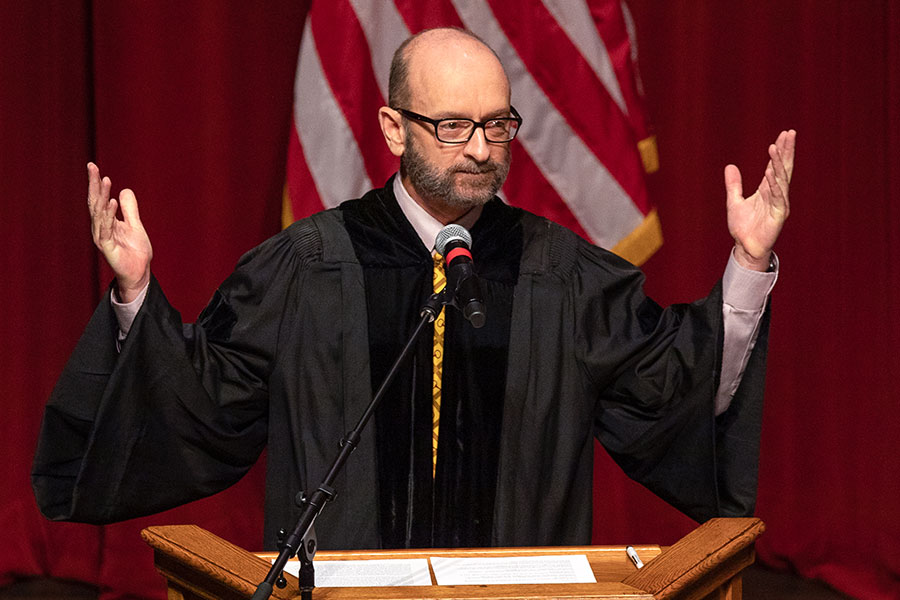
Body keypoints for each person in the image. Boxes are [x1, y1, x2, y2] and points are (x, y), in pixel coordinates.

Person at [33, 28, 795, 550]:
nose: (481, 150)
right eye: (454, 126)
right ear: (394, 129)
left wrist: (747, 265)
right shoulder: (307, 267)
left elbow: (675, 389)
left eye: (498, 126)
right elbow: (202, 401)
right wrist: (136, 289)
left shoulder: (559, 273)